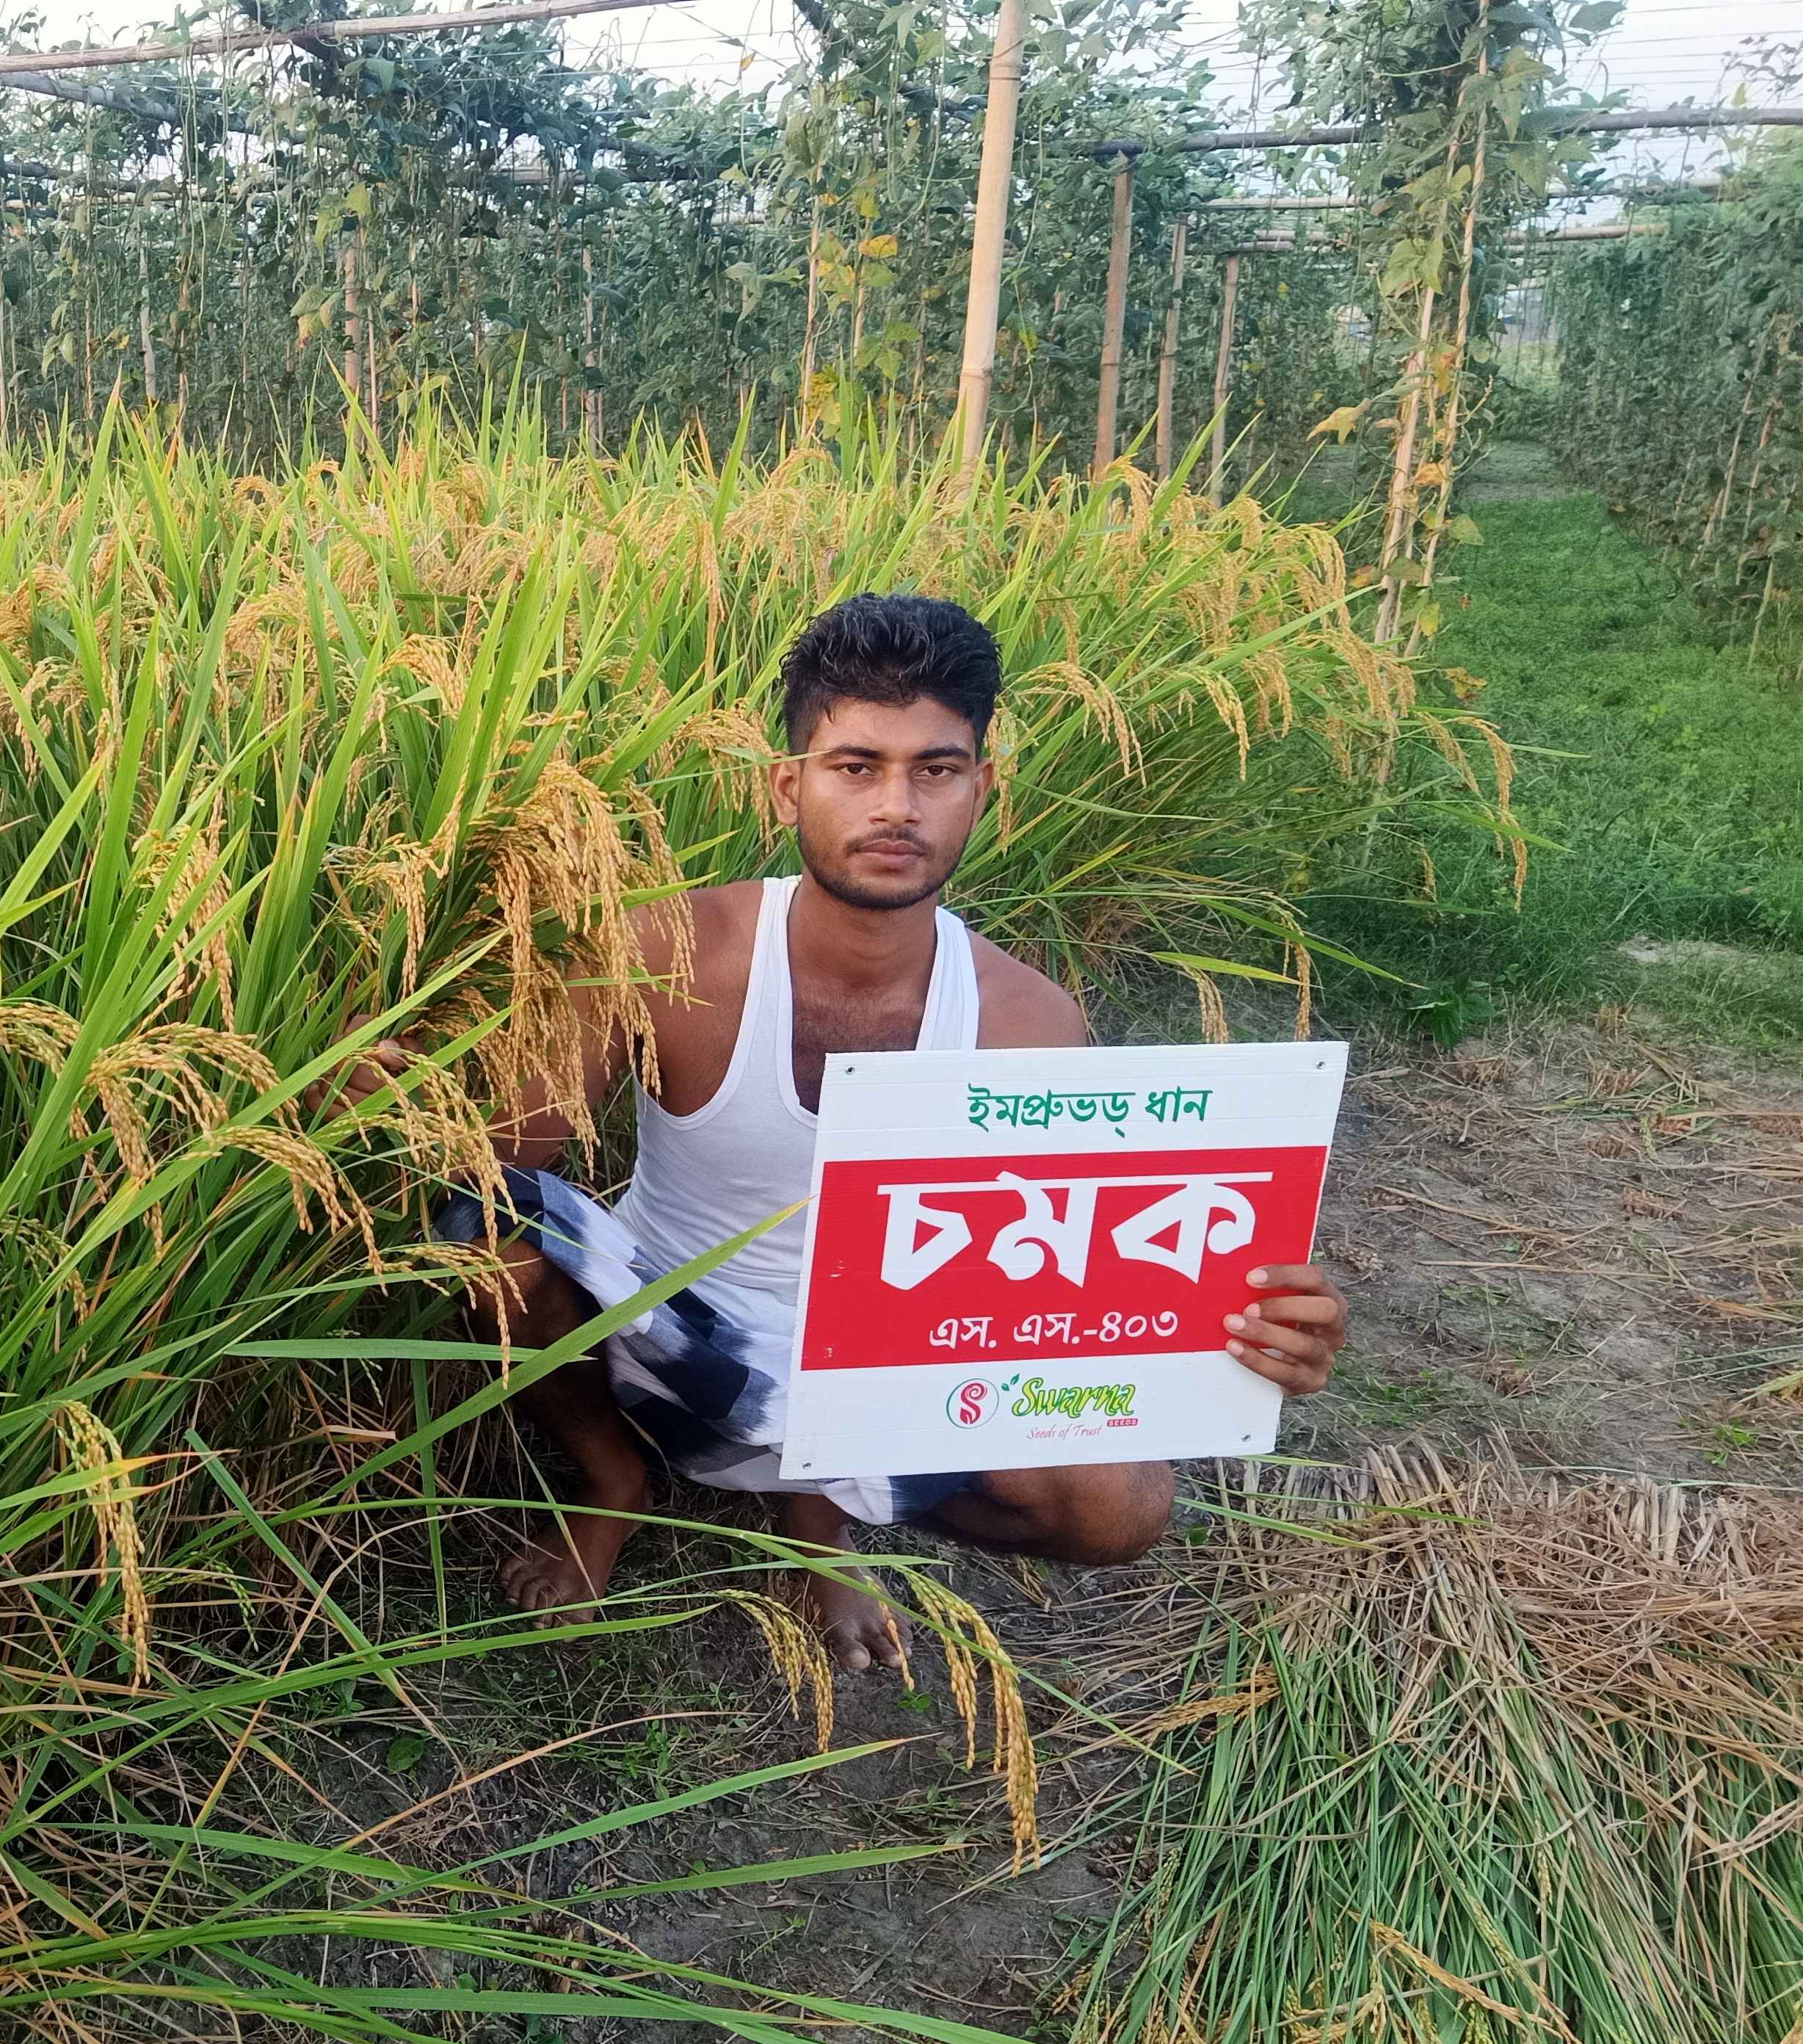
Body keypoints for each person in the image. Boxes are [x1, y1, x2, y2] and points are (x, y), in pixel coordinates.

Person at [326, 593, 1349, 1670]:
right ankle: (613, 1477)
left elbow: (1063, 1276)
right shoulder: (671, 951)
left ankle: (821, 1513)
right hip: (665, 1320)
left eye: (936, 770)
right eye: (856, 766)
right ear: (789, 787)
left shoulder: (1026, 1021)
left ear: (982, 790)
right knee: (490, 1233)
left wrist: (1249, 1324)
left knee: (1120, 1511)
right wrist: (391, 1106)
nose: (896, 806)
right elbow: (509, 1157)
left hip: (881, 1365)